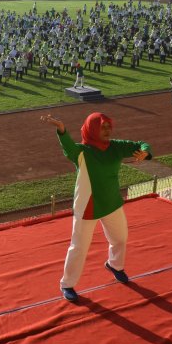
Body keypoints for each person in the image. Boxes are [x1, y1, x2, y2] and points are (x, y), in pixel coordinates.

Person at [40, 112, 152, 302]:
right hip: (88, 207)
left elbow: (140, 144)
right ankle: (67, 284)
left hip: (111, 203)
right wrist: (62, 129)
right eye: (102, 127)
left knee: (120, 238)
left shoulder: (115, 147)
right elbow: (68, 147)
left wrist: (145, 151)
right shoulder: (82, 152)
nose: (107, 130)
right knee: (79, 248)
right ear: (92, 129)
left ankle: (115, 265)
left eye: (109, 126)